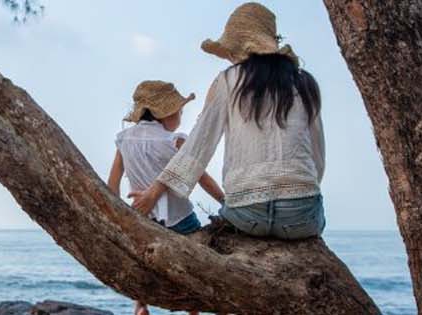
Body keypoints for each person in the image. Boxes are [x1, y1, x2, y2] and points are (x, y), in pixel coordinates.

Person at [130, 2, 327, 241]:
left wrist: (153, 193)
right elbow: (317, 156)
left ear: (239, 49)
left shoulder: (229, 80)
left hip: (248, 215)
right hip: (301, 217)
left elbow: (198, 146)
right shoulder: (305, 82)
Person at [108, 80, 225, 315]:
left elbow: (114, 181)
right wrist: (225, 201)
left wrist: (116, 212)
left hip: (142, 217)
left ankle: (140, 304)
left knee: (143, 262)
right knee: (196, 267)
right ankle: (194, 311)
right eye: (180, 112)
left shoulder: (124, 139)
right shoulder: (174, 140)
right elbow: (202, 178)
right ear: (167, 113)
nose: (180, 117)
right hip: (179, 218)